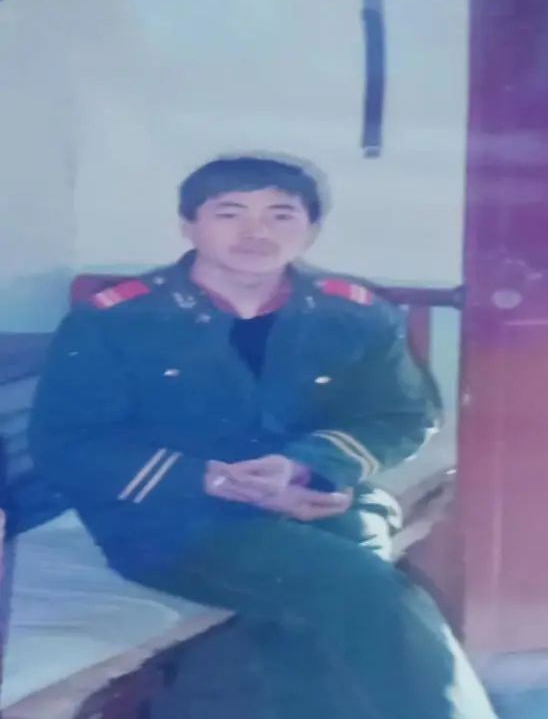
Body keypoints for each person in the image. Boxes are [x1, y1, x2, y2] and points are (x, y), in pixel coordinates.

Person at [30, 156, 497, 718]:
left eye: (280, 215)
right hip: (171, 518)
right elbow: (67, 443)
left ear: (311, 229)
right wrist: (208, 479)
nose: (256, 232)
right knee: (363, 585)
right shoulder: (115, 320)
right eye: (230, 213)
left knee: (329, 593)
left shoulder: (353, 315)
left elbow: (403, 414)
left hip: (317, 498)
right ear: (189, 226)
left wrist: (310, 466)